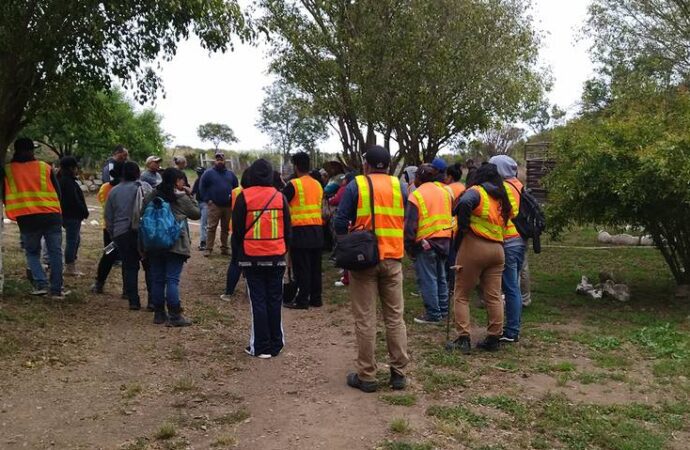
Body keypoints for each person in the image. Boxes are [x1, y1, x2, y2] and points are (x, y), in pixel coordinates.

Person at [334, 145, 409, 393]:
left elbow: (340, 221)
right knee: (395, 317)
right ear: (387, 165)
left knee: (365, 318)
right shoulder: (401, 186)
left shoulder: (358, 185)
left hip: (364, 260)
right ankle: (398, 374)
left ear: (366, 164)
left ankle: (367, 375)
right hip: (393, 258)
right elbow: (405, 217)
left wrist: (347, 244)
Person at [445, 163, 512, 354]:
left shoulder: (477, 191)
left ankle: (463, 338)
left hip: (475, 246)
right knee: (493, 296)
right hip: (498, 250)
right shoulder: (501, 198)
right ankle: (494, 338)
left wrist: (464, 227)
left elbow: (465, 203)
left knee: (461, 294)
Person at [232, 159, 291, 358]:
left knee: (258, 301)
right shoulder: (279, 197)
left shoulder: (243, 197)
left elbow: (237, 231)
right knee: (275, 300)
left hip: (252, 257)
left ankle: (261, 346)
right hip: (276, 256)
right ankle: (276, 343)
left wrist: (238, 256)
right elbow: (288, 230)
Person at [2, 138, 68, 298]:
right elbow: (58, 193)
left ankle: (41, 284)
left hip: (27, 217)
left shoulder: (7, 170)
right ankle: (56, 289)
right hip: (51, 215)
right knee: (55, 252)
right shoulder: (44, 167)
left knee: (32, 252)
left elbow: (4, 194)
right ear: (32, 151)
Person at [142, 168, 200, 326]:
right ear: (176, 181)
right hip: (176, 244)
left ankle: (159, 314)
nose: (184, 183)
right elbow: (196, 214)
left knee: (157, 279)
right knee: (172, 280)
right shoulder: (181, 198)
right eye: (182, 179)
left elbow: (142, 213)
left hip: (154, 243)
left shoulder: (151, 195)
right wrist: (190, 195)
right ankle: (175, 316)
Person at [405, 164, 453, 324]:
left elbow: (410, 224)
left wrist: (410, 246)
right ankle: (444, 310)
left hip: (426, 242)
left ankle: (433, 314)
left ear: (419, 177)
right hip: (445, 240)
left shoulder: (416, 195)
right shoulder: (445, 191)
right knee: (441, 277)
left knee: (428, 279)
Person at [105, 161, 152, 310]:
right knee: (149, 266)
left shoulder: (114, 191)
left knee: (130, 266)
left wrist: (113, 235)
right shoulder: (145, 188)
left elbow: (108, 217)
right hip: (144, 232)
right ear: (138, 173)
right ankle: (152, 301)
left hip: (122, 233)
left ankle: (133, 301)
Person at [489, 155, 525, 343]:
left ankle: (511, 331)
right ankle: (514, 326)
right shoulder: (519, 185)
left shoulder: (503, 188)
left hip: (509, 240)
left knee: (510, 286)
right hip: (520, 240)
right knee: (514, 285)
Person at [282, 152, 324, 309]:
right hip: (317, 230)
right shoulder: (317, 184)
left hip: (300, 231)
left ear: (296, 166)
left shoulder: (294, 184)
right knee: (315, 267)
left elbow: (281, 201)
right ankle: (316, 298)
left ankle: (302, 300)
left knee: (302, 267)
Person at [92, 162, 125, 295]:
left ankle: (99, 283)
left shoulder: (105, 187)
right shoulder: (129, 188)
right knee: (127, 258)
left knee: (108, 254)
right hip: (125, 229)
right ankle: (127, 290)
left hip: (109, 228)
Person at [199, 152, 238, 256]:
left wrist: (233, 201)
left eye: (221, 159)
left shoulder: (231, 174)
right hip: (214, 205)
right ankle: (208, 249)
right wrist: (207, 200)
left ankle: (224, 248)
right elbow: (202, 187)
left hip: (228, 206)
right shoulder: (208, 173)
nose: (219, 161)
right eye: (217, 159)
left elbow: (236, 188)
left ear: (224, 160)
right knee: (211, 227)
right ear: (214, 161)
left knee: (225, 228)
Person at [220, 170, 250, 302]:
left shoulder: (235, 191)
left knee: (235, 262)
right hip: (252, 231)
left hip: (236, 229)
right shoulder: (254, 193)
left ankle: (228, 292)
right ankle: (250, 293)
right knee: (252, 263)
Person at [58, 156, 89, 277]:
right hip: (72, 216)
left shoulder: (61, 180)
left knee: (76, 239)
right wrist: (83, 211)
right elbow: (74, 200)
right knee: (72, 241)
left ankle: (71, 263)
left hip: (67, 215)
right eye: (75, 167)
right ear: (71, 168)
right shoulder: (68, 182)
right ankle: (70, 266)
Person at [444, 163, 466, 297]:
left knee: (451, 258)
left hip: (451, 226)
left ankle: (451, 285)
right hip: (462, 226)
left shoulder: (447, 189)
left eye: (446, 176)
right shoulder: (464, 187)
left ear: (450, 176)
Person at [191, 167, 208, 250]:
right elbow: (193, 192)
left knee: (203, 224)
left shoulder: (203, 181)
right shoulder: (199, 180)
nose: (198, 174)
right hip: (200, 203)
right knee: (203, 224)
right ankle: (204, 242)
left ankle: (203, 242)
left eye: (199, 172)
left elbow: (192, 192)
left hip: (204, 203)